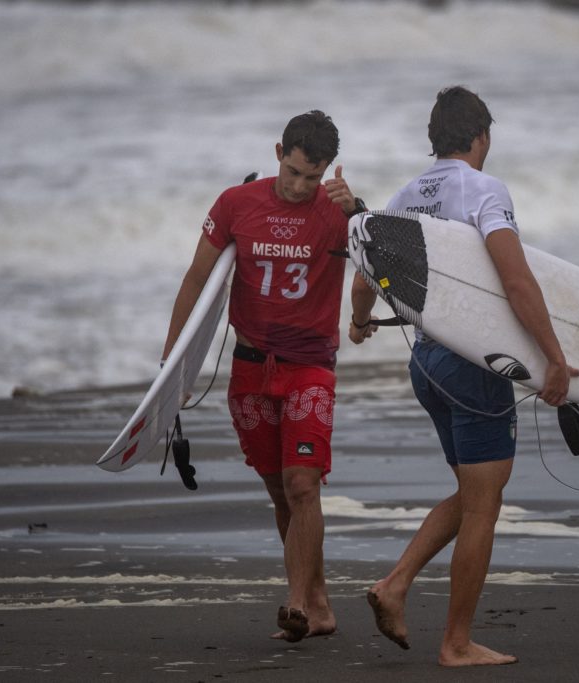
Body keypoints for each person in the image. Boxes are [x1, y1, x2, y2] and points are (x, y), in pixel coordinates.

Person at [348, 86, 579, 667]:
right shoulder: (484, 191)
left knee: (474, 491)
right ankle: (455, 643)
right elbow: (516, 280)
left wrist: (358, 322)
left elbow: (364, 276)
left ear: (434, 138)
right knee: (484, 506)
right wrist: (552, 357)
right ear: (482, 137)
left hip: (426, 363)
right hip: (475, 364)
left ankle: (395, 585)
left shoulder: (403, 198)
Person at [162, 110, 363, 643]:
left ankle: (295, 604)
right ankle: (318, 602)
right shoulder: (235, 204)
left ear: (327, 172)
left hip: (310, 367)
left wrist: (361, 214)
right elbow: (198, 279)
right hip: (249, 369)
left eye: (312, 178)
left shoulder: (340, 214)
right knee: (281, 492)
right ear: (279, 152)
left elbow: (385, 269)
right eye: (294, 172)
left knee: (303, 483)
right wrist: (171, 364)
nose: (301, 187)